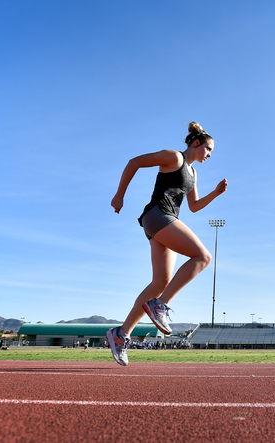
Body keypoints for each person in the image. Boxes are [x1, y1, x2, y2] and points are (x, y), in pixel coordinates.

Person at [106, 121, 228, 366]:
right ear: (196, 143)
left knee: (160, 282)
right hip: (158, 215)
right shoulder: (174, 158)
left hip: (164, 223)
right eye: (208, 149)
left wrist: (214, 193)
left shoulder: (193, 174)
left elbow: (193, 207)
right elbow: (134, 163)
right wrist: (119, 194)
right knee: (203, 257)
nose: (210, 154)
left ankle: (120, 335)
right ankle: (160, 306)